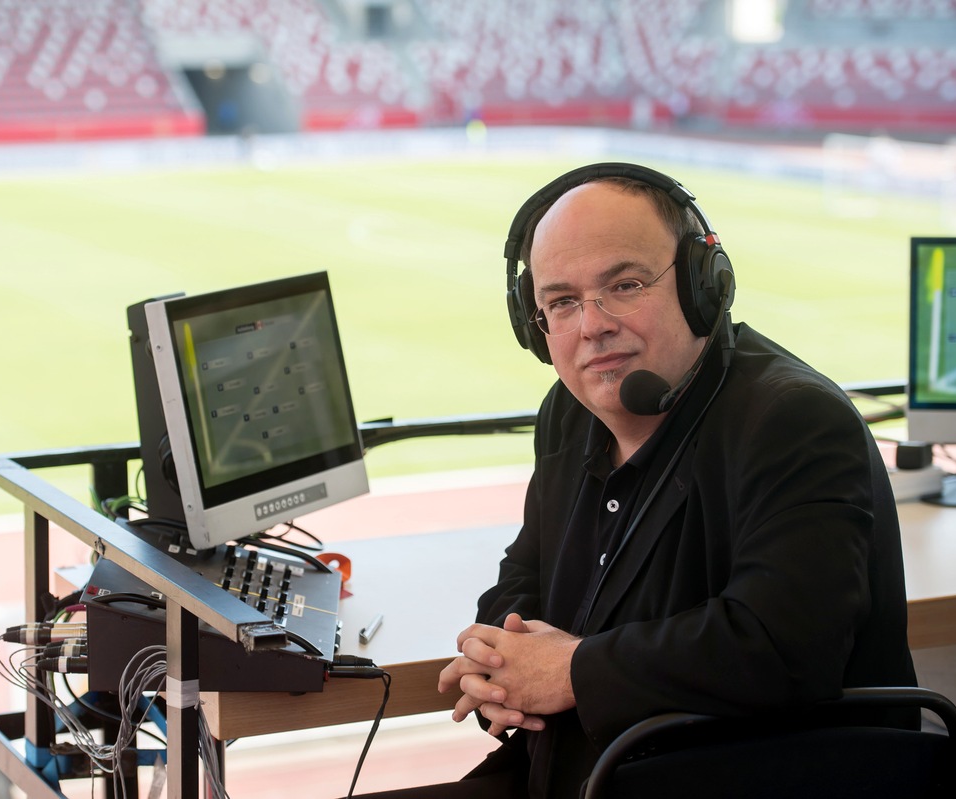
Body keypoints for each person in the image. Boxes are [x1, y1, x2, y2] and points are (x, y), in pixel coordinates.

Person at [347, 163, 918, 798]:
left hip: (740, 779)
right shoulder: (571, 412)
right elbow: (524, 578)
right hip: (583, 773)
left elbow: (781, 648)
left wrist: (569, 672)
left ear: (706, 284)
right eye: (561, 302)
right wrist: (501, 661)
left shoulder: (792, 419)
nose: (592, 325)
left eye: (624, 284)